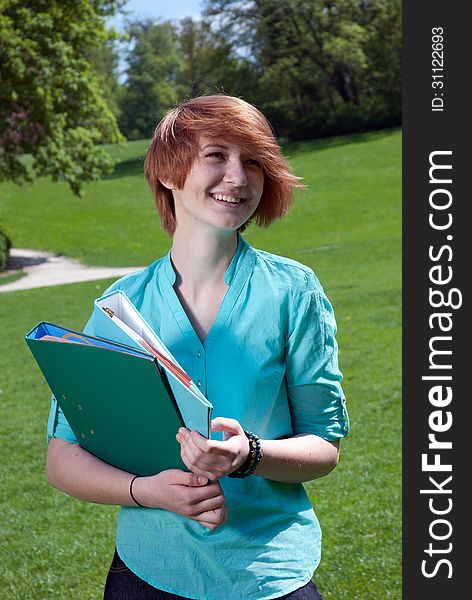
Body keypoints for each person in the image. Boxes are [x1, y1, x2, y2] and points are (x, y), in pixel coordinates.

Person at [45, 94, 349, 600]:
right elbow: (62, 457)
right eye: (217, 155)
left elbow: (323, 446)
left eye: (253, 161)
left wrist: (248, 454)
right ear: (169, 173)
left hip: (268, 573)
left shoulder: (294, 292)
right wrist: (146, 492)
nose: (238, 176)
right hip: (147, 572)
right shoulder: (119, 309)